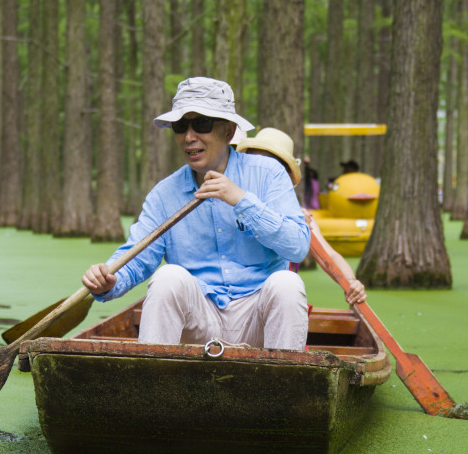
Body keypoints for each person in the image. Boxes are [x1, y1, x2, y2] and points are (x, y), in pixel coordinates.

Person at [81, 77, 309, 350]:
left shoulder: (269, 174)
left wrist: (241, 200)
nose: (189, 137)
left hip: (258, 319)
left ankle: (285, 387)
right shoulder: (165, 193)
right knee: (168, 278)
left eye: (201, 124)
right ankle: (151, 385)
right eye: (181, 126)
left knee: (287, 283)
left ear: (228, 131)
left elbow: (297, 247)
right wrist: (108, 281)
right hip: (200, 321)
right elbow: (137, 257)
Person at [236, 127, 366, 305]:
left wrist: (351, 282)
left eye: (272, 165)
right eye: (255, 163)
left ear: (286, 176)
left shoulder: (299, 217)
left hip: (277, 303)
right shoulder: (231, 203)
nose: (263, 171)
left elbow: (328, 256)